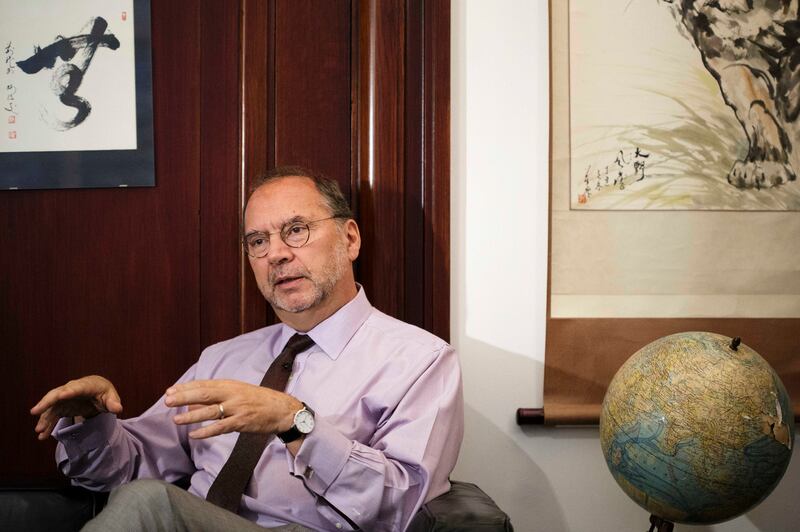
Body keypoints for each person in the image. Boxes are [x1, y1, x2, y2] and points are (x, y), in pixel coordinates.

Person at [30, 166, 464, 531]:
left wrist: (294, 422)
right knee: (142, 500)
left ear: (349, 239)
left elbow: (403, 505)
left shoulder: (420, 359)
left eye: (296, 231)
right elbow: (127, 471)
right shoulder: (224, 359)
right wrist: (91, 421)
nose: (275, 254)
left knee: (150, 504)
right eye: (257, 241)